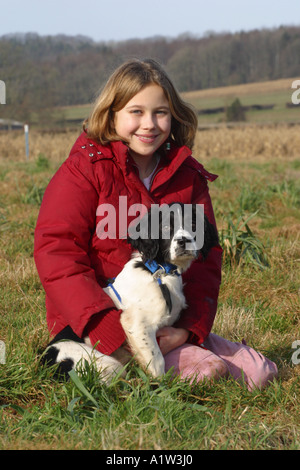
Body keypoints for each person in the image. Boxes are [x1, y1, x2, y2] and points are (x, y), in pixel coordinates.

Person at [34, 59, 277, 390]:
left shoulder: (188, 177)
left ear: (173, 115)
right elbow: (57, 253)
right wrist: (104, 326)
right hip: (97, 324)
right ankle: (150, 375)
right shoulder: (84, 170)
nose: (148, 124)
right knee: (208, 372)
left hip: (168, 321)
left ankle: (183, 353)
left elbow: (206, 260)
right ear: (111, 114)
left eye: (160, 112)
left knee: (261, 373)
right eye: (135, 111)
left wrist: (188, 330)